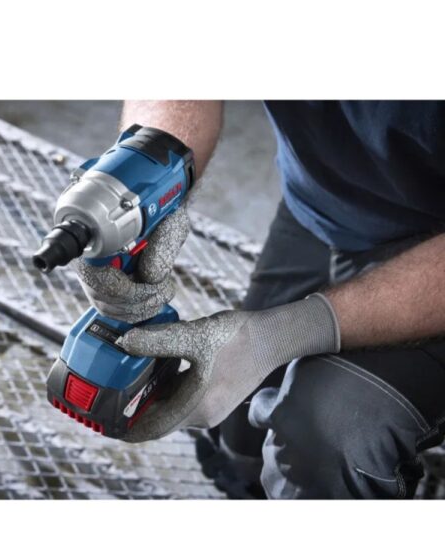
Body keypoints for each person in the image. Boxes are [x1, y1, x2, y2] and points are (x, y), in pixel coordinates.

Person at [75, 101, 445, 499]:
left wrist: (276, 336)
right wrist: (137, 182)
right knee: (236, 431)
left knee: (320, 440)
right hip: (324, 207)